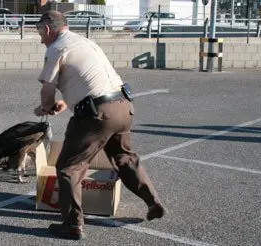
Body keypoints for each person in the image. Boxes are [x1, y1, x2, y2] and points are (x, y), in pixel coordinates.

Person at [33, 10, 165, 240]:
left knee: (68, 167)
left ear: (47, 29)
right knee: (125, 158)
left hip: (97, 115)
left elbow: (47, 89)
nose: (39, 38)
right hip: (123, 106)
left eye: (39, 33)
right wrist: (66, 102)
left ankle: (73, 224)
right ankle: (153, 202)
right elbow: (91, 80)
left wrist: (46, 107)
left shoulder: (56, 48)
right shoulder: (84, 42)